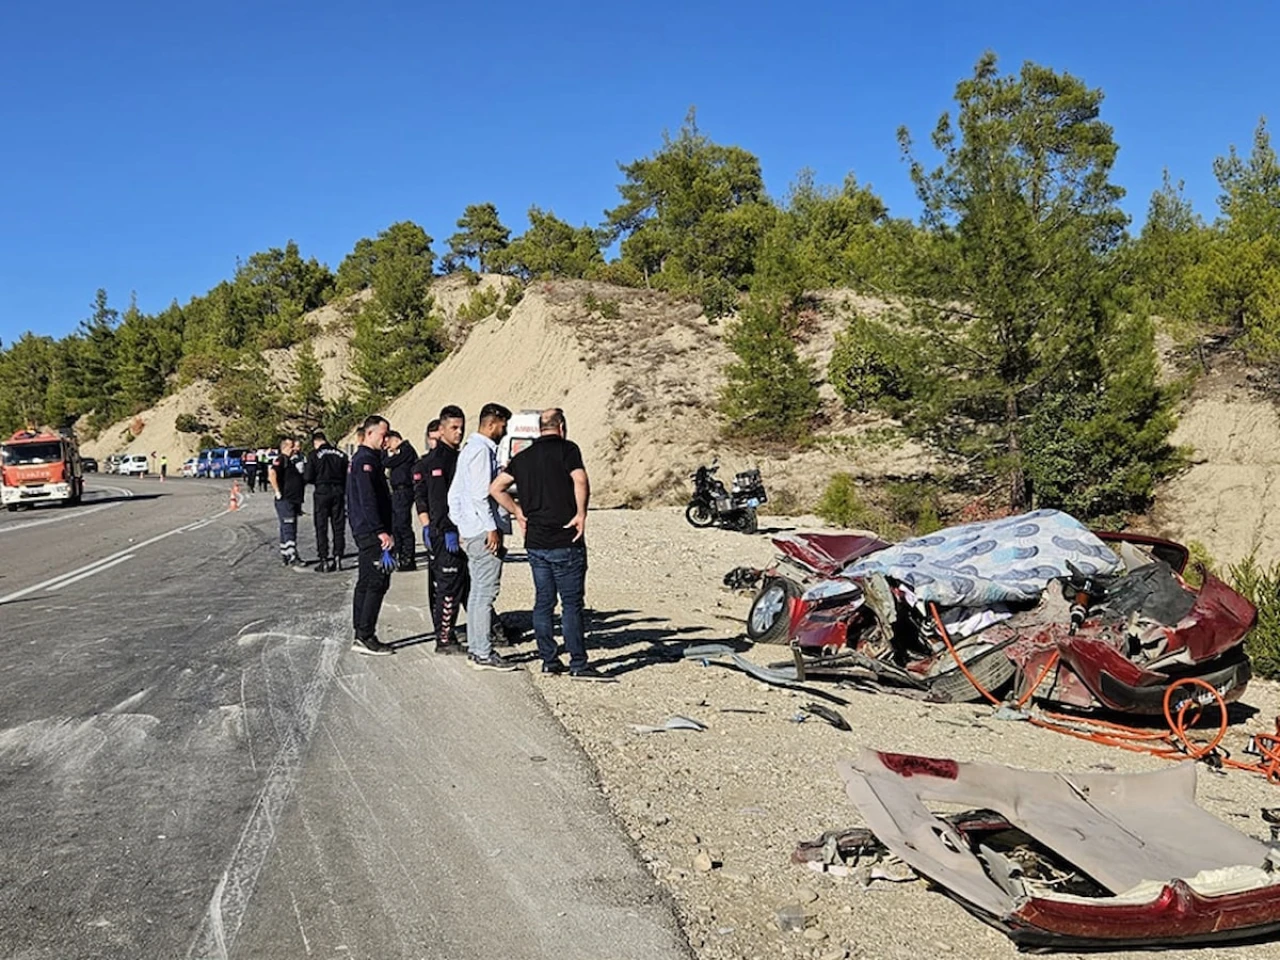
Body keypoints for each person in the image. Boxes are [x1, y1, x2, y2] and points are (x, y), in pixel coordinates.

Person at [491, 408, 598, 678]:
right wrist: (581, 513)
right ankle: (578, 663)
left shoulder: (523, 456)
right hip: (566, 538)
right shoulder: (568, 450)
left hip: (536, 542)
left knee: (543, 602)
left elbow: (495, 488)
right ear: (561, 426)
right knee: (571, 604)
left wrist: (517, 511)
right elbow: (580, 478)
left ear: (540, 429)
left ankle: (549, 660)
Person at [448, 402, 514, 671]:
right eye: (503, 425)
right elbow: (479, 495)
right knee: (485, 594)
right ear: (491, 423)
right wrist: (489, 528)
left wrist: (463, 527)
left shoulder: (470, 451)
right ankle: (484, 653)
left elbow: (454, 496)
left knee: (477, 594)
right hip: (482, 533)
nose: (505, 430)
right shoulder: (479, 452)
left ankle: (477, 650)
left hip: (472, 531)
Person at [414, 405, 467, 653]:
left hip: (456, 530)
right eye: (454, 428)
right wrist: (446, 528)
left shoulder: (457, 456)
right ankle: (444, 639)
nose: (459, 432)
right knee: (447, 587)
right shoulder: (438, 461)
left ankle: (491, 627)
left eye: (461, 427)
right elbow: (437, 500)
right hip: (445, 532)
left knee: (462, 584)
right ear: (442, 429)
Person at [346, 415, 396, 656]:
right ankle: (365, 635)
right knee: (376, 582)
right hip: (371, 532)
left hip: (366, 530)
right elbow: (368, 499)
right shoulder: (365, 460)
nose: (385, 440)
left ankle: (362, 632)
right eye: (382, 435)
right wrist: (380, 531)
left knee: (366, 582)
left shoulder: (366, 459)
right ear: (369, 434)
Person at [303, 430, 348, 572]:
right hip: (339, 491)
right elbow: (347, 474)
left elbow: (308, 476)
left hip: (322, 492)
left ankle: (324, 560)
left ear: (315, 443)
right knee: (338, 526)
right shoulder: (341, 455)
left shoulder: (314, 455)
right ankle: (338, 557)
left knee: (321, 527)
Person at [383, 430, 419, 572]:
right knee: (396, 525)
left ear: (395, 439)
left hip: (404, 491)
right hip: (397, 491)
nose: (387, 447)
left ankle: (408, 558)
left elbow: (387, 462)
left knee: (403, 524)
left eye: (388, 443)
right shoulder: (401, 452)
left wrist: (385, 453)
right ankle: (400, 554)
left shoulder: (406, 450)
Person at [269, 438, 306, 567]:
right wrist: (277, 492)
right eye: (291, 447)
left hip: (293, 500)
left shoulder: (290, 461)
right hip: (286, 500)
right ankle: (292, 555)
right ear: (285, 447)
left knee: (286, 528)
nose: (294, 449)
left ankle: (285, 553)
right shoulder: (282, 459)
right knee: (289, 527)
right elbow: (272, 473)